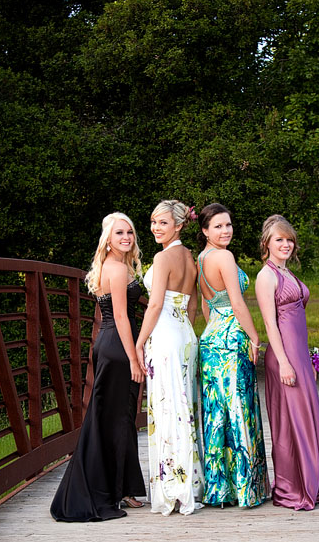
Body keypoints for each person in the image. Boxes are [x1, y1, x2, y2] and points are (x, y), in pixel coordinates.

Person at [50, 212, 146, 521]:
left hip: (111, 344)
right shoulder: (116, 268)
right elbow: (120, 316)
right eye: (119, 233)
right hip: (118, 348)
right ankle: (107, 491)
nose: (126, 237)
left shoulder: (115, 265)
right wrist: (134, 358)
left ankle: (123, 488)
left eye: (129, 232)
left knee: (119, 418)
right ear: (107, 239)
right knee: (116, 420)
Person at [255, 214, 319, 511]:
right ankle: (293, 487)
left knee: (307, 417)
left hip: (299, 355)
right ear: (266, 243)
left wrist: (308, 359)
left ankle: (314, 482)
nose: (286, 244)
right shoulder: (266, 276)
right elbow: (270, 323)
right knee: (291, 422)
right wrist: (284, 363)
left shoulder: (288, 273)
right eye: (279, 239)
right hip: (283, 357)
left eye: (289, 239)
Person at [197, 203, 270, 508]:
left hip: (211, 337)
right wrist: (254, 337)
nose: (225, 231)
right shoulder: (224, 257)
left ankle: (219, 489)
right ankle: (245, 489)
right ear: (205, 230)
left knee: (217, 414)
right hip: (231, 337)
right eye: (218, 226)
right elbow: (237, 304)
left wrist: (215, 329)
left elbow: (206, 304)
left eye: (228, 225)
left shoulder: (201, 258)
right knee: (240, 409)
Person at [136, 200, 204, 516]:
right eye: (153, 222)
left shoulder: (163, 258)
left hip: (165, 334)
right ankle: (189, 482)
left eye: (162, 222)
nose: (155, 228)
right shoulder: (190, 257)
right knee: (183, 408)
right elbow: (192, 305)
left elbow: (154, 305)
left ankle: (174, 488)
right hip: (185, 334)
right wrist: (184, 331)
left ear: (178, 225)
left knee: (168, 409)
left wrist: (140, 343)